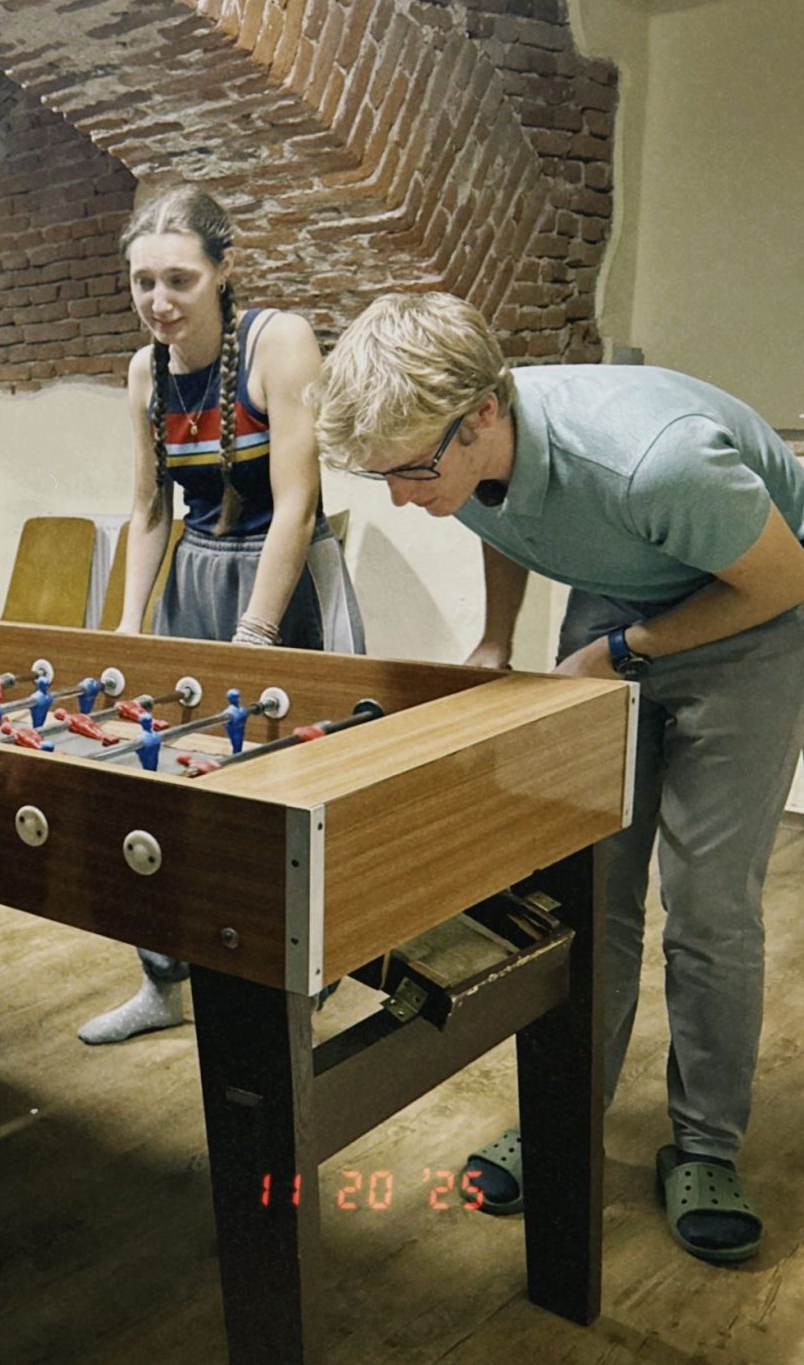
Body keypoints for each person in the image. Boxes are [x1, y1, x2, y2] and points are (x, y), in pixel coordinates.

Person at [311, 290, 804, 1266]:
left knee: (707, 902)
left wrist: (618, 652)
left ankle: (705, 1146)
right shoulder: (458, 446)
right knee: (586, 886)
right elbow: (502, 519)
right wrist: (496, 639)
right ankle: (565, 1110)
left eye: (411, 470)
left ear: (482, 416)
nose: (401, 497)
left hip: (750, 615)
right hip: (621, 593)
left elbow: (783, 579)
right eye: (381, 475)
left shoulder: (651, 459)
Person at [79, 186, 364, 1048]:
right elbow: (148, 511)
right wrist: (129, 626)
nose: (159, 301)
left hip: (284, 581)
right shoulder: (147, 372)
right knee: (164, 779)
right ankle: (162, 980)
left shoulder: (279, 343)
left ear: (224, 269)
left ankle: (297, 991)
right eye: (143, 283)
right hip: (195, 574)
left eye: (180, 280)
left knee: (293, 794)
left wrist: (254, 637)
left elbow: (297, 503)